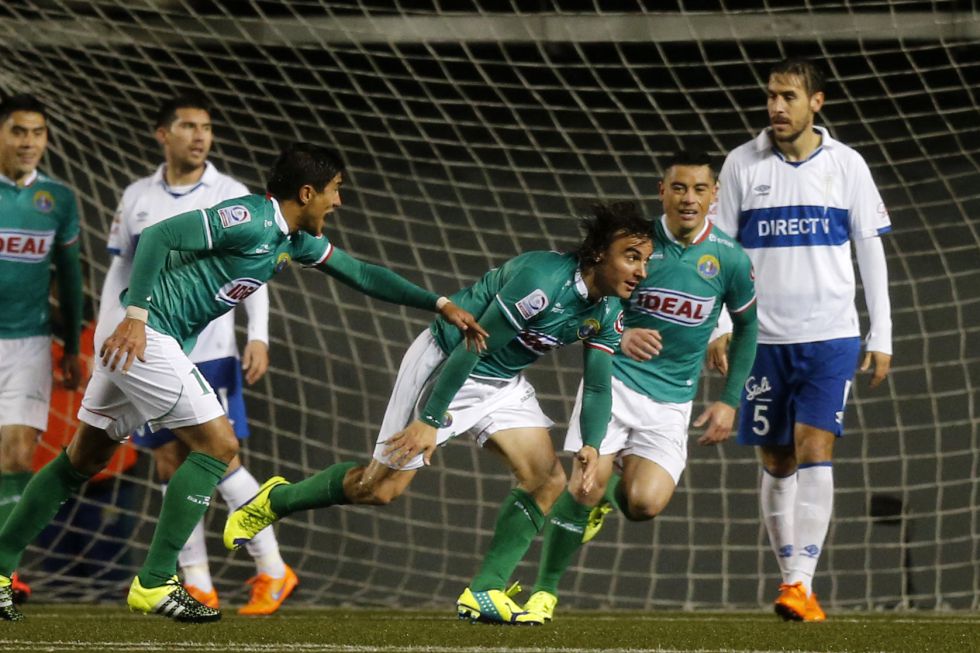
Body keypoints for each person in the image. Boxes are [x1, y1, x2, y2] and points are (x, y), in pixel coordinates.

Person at [0, 142, 484, 622]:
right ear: (308, 192)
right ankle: (154, 582)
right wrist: (135, 315)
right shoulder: (249, 217)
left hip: (150, 342)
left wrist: (439, 304)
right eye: (335, 191)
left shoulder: (293, 240)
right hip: (147, 336)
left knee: (80, 460)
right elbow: (157, 237)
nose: (339, 202)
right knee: (218, 444)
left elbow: (359, 272)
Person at [224, 202, 653, 625]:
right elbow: (474, 342)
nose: (641, 271)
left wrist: (592, 444)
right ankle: (275, 500)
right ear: (599, 253)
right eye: (631, 257)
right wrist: (429, 419)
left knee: (547, 479)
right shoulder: (542, 281)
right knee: (378, 490)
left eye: (646, 260)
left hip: (501, 382)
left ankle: (484, 590)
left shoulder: (609, 309)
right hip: (448, 364)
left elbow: (597, 383)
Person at [517, 151, 757, 622]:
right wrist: (620, 334)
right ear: (661, 191)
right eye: (679, 188)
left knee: (644, 504)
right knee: (583, 485)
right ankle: (543, 594)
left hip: (672, 399)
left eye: (700, 189)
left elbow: (748, 329)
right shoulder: (635, 244)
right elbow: (584, 295)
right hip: (616, 381)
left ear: (715, 195)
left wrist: (730, 401)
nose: (689, 199)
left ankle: (610, 494)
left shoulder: (729, 259)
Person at [708, 58, 892, 622]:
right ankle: (793, 581)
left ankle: (801, 583)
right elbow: (719, 253)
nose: (775, 107)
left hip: (830, 336)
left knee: (817, 446)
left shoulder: (847, 165)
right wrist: (719, 325)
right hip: (761, 340)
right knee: (778, 458)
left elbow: (869, 249)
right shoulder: (742, 164)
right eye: (770, 96)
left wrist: (880, 330)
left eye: (788, 96)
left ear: (817, 102)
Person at [97, 93, 293, 615]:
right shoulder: (137, 195)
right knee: (167, 459)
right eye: (188, 125)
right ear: (163, 134)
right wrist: (107, 328)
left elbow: (261, 266)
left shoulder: (231, 192)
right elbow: (121, 268)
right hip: (148, 340)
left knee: (219, 452)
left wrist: (260, 335)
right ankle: (196, 581)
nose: (200, 135)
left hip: (209, 346)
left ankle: (272, 568)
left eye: (206, 126)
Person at [0, 93, 84, 605]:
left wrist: (72, 345)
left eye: (37, 133)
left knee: (16, 453)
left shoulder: (59, 199)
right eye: (18, 132)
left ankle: (3, 571)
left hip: (30, 343)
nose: (29, 142)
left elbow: (70, 278)